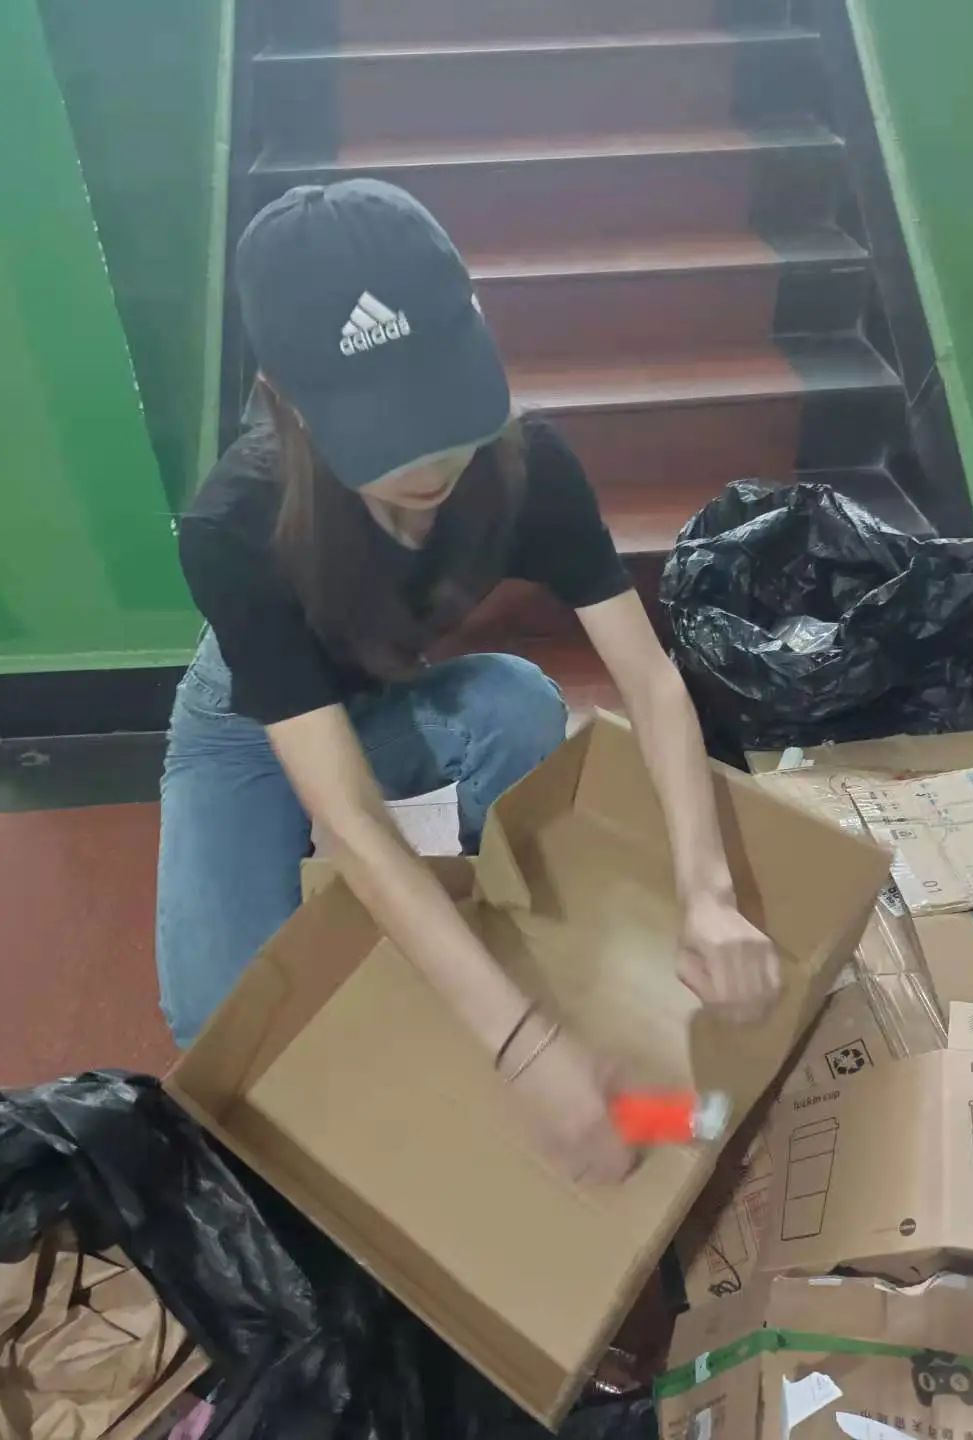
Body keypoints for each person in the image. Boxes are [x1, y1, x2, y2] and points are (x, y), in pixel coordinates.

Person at [158, 179, 781, 1184]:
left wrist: (709, 895)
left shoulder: (530, 469)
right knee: (220, 1019)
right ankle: (432, 966)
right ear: (285, 400)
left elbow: (651, 680)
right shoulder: (235, 529)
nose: (428, 464)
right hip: (252, 727)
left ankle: (490, 932)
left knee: (520, 708)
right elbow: (351, 816)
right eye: (382, 433)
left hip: (389, 696)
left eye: (443, 410)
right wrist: (525, 1050)